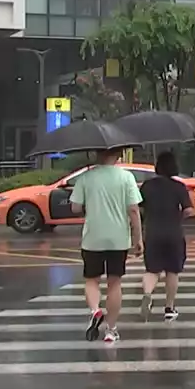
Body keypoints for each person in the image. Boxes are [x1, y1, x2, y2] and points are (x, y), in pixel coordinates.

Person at [69, 147, 143, 344]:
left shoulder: (86, 177)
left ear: (97, 155)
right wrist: (138, 239)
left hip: (92, 237)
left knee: (92, 280)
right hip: (118, 239)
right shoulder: (126, 177)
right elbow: (134, 210)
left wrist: (88, 205)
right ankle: (111, 330)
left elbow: (75, 207)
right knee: (114, 283)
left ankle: (95, 311)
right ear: (118, 156)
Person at [138, 151, 193, 322]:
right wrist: (178, 217)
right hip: (173, 233)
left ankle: (148, 294)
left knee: (152, 270)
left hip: (153, 233)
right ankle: (169, 308)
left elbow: (139, 207)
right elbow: (188, 209)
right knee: (172, 271)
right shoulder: (178, 186)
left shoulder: (147, 186)